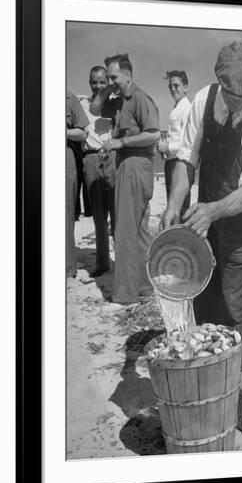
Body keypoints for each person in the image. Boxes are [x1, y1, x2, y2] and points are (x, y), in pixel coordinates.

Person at [161, 41, 242, 370]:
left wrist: (211, 211)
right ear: (221, 85)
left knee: (235, 313)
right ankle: (210, 379)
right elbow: (186, 159)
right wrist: (174, 204)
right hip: (207, 224)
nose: (240, 105)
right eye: (233, 98)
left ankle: (235, 387)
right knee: (206, 303)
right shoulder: (203, 98)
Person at [92, 53, 160, 305]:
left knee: (125, 230)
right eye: (108, 78)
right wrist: (109, 87)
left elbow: (153, 135)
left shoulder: (140, 99)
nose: (110, 82)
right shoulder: (118, 101)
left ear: (128, 74)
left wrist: (121, 141)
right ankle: (144, 287)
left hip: (135, 166)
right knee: (140, 231)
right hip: (127, 166)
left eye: (114, 77)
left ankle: (125, 293)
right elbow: (94, 108)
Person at [78, 66, 120, 277]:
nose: (99, 86)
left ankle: (122, 261)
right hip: (91, 158)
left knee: (117, 211)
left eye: (102, 82)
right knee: (98, 214)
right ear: (89, 83)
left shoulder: (115, 103)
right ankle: (102, 263)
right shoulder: (82, 103)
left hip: (111, 158)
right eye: (95, 82)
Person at [157, 70, 192, 216]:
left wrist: (167, 147)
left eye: (176, 85)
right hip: (171, 161)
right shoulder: (177, 107)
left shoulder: (186, 108)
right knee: (173, 205)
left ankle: (180, 236)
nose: (173, 89)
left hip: (180, 163)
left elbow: (188, 141)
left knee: (179, 207)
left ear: (185, 87)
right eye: (170, 86)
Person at [66, 90, 88, 278]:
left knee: (65, 215)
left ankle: (67, 267)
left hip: (65, 156)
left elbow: (82, 133)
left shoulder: (69, 98)